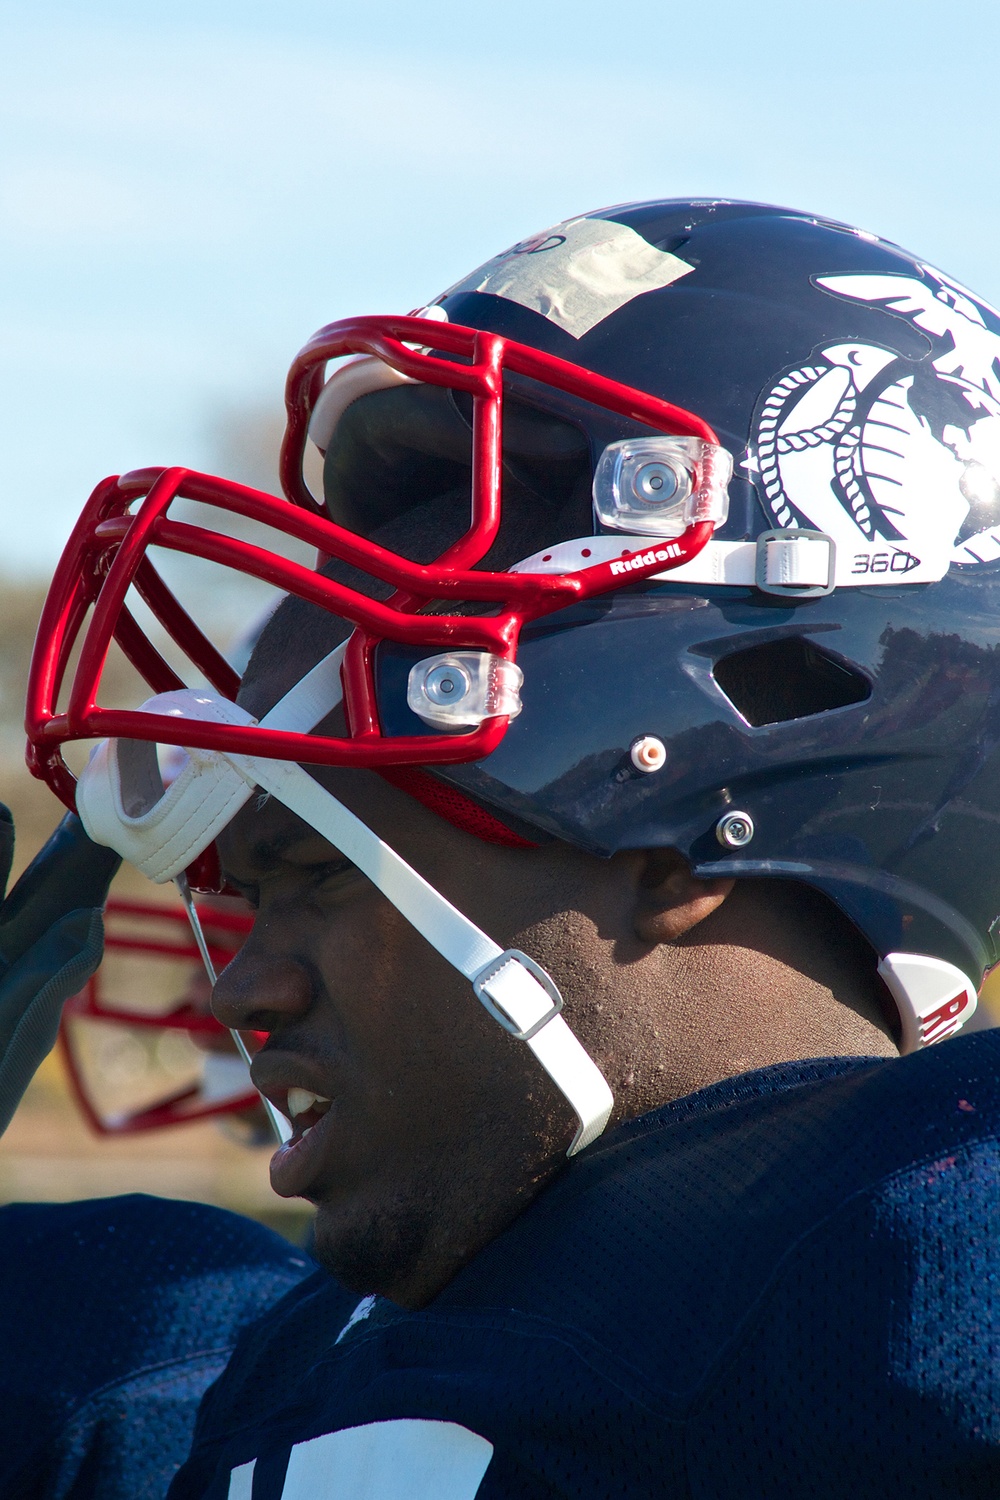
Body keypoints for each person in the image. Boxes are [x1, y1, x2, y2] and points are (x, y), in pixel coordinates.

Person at [6, 198, 1000, 1496]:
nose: (242, 990)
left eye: (313, 870)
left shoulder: (924, 1260)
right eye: (236, 894)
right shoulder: (184, 1366)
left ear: (678, 846)